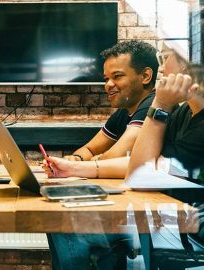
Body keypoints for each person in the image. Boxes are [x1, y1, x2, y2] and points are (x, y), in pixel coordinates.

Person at [47, 40, 204, 270]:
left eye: (165, 58)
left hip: (187, 233)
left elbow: (140, 174)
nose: (161, 69)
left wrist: (160, 104)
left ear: (189, 64)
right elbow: (144, 164)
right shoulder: (182, 113)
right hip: (168, 219)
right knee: (64, 219)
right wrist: (72, 168)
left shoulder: (183, 119)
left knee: (72, 223)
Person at [44, 40, 158, 180]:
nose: (108, 85)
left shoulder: (154, 105)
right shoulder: (124, 111)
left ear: (145, 76)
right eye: (106, 78)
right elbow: (89, 149)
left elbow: (116, 156)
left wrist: (88, 162)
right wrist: (75, 159)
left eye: (117, 76)